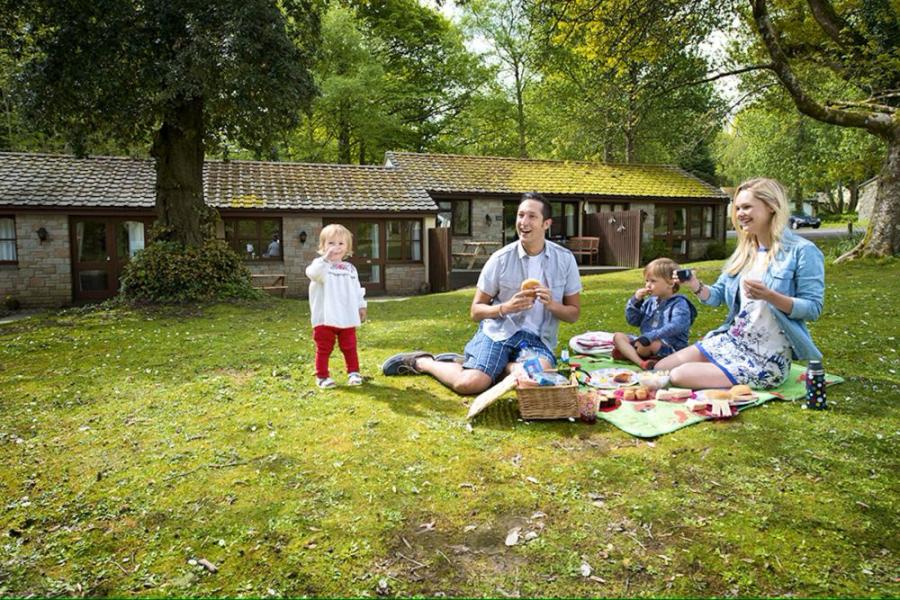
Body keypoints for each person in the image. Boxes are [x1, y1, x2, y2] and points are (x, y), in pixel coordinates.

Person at [381, 192, 582, 395]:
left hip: (537, 340)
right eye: (520, 215)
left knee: (540, 372)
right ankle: (423, 362)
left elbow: (573, 314)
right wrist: (505, 308)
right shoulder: (500, 259)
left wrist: (552, 305)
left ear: (546, 224)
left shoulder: (564, 260)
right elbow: (475, 311)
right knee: (469, 384)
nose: (523, 222)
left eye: (531, 216)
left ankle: (493, 366)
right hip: (498, 333)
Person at [655, 178, 825, 389]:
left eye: (746, 207)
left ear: (771, 207)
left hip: (767, 358)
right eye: (737, 208)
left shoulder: (802, 251)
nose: (739, 213)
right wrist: (695, 284)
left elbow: (813, 309)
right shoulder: (745, 252)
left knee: (679, 375)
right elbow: (716, 297)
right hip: (732, 342)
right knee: (661, 368)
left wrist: (770, 296)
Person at [305, 224, 367, 389]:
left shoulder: (350, 269)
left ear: (347, 247)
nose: (336, 248)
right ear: (323, 246)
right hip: (325, 317)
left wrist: (361, 306)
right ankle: (322, 376)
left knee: (350, 346)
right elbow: (312, 273)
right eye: (331, 243)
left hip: (346, 315)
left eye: (341, 244)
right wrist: (325, 259)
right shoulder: (321, 265)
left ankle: (353, 372)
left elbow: (357, 290)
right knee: (324, 347)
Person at [612, 257, 697, 370]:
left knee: (647, 345)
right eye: (647, 281)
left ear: (671, 283)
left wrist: (651, 336)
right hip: (645, 341)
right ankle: (641, 362)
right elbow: (633, 321)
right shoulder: (650, 302)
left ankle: (632, 353)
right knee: (618, 337)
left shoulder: (679, 303)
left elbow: (677, 326)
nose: (648, 285)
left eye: (653, 281)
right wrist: (635, 302)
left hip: (670, 347)